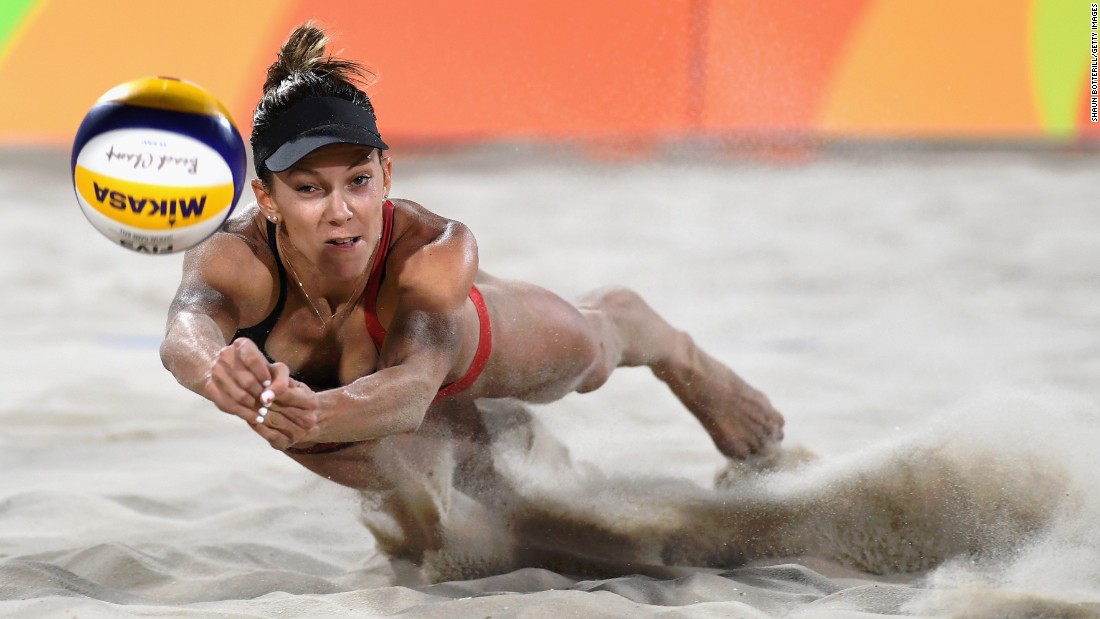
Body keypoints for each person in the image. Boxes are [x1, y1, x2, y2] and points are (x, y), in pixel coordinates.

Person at [160, 23, 785, 569]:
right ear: (266, 198)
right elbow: (185, 330)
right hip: (355, 386)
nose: (342, 212)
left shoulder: (429, 256)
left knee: (587, 356)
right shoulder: (235, 254)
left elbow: (411, 391)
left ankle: (663, 343)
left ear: (386, 174)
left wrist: (313, 413)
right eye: (309, 189)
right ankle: (473, 461)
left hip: (449, 350)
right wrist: (219, 371)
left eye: (358, 181)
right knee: (459, 487)